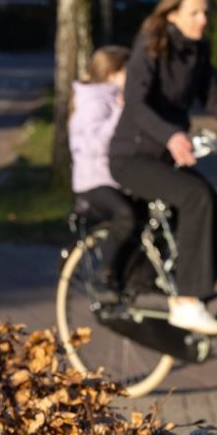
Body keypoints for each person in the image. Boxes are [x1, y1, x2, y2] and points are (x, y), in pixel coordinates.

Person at [110, 0, 217, 336]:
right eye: (194, 12)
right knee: (196, 197)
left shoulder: (197, 52)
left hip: (166, 157)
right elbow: (136, 104)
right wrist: (171, 136)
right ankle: (185, 301)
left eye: (205, 13)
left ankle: (192, 293)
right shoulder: (152, 47)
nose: (202, 20)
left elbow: (215, 100)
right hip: (131, 157)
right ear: (172, 14)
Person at [68, 45, 135, 302]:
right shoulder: (94, 103)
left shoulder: (109, 98)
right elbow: (96, 146)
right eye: (126, 72)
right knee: (125, 216)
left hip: (112, 177)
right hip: (93, 181)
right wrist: (119, 111)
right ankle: (104, 271)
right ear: (111, 73)